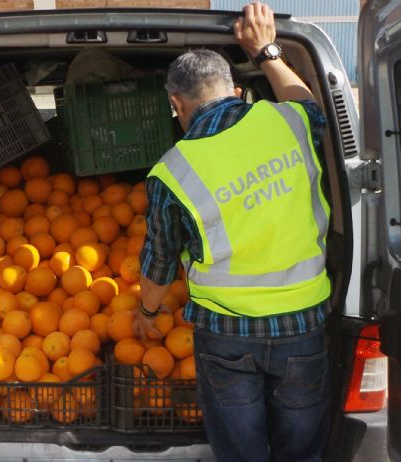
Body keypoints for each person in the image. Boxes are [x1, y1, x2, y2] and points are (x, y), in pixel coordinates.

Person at [134, 2, 331, 461]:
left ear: (175, 104)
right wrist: (267, 51)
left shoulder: (172, 171)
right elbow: (309, 104)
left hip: (226, 336)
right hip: (303, 323)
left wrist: (147, 311)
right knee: (301, 453)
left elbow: (160, 260)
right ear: (237, 91)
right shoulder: (290, 122)